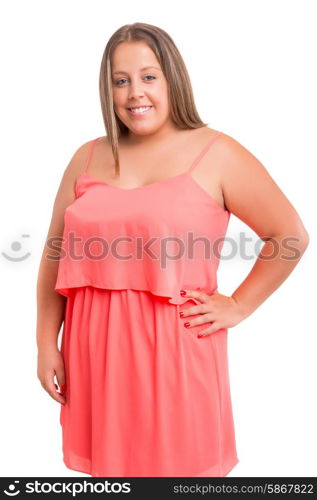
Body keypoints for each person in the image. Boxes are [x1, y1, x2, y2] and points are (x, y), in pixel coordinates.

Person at [36, 22, 309, 477]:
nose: (134, 93)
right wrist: (47, 343)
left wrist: (239, 305)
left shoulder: (217, 153)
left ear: (172, 79)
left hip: (175, 356)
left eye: (148, 76)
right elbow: (53, 258)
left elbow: (289, 235)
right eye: (120, 81)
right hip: (94, 357)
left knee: (179, 476)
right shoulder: (86, 156)